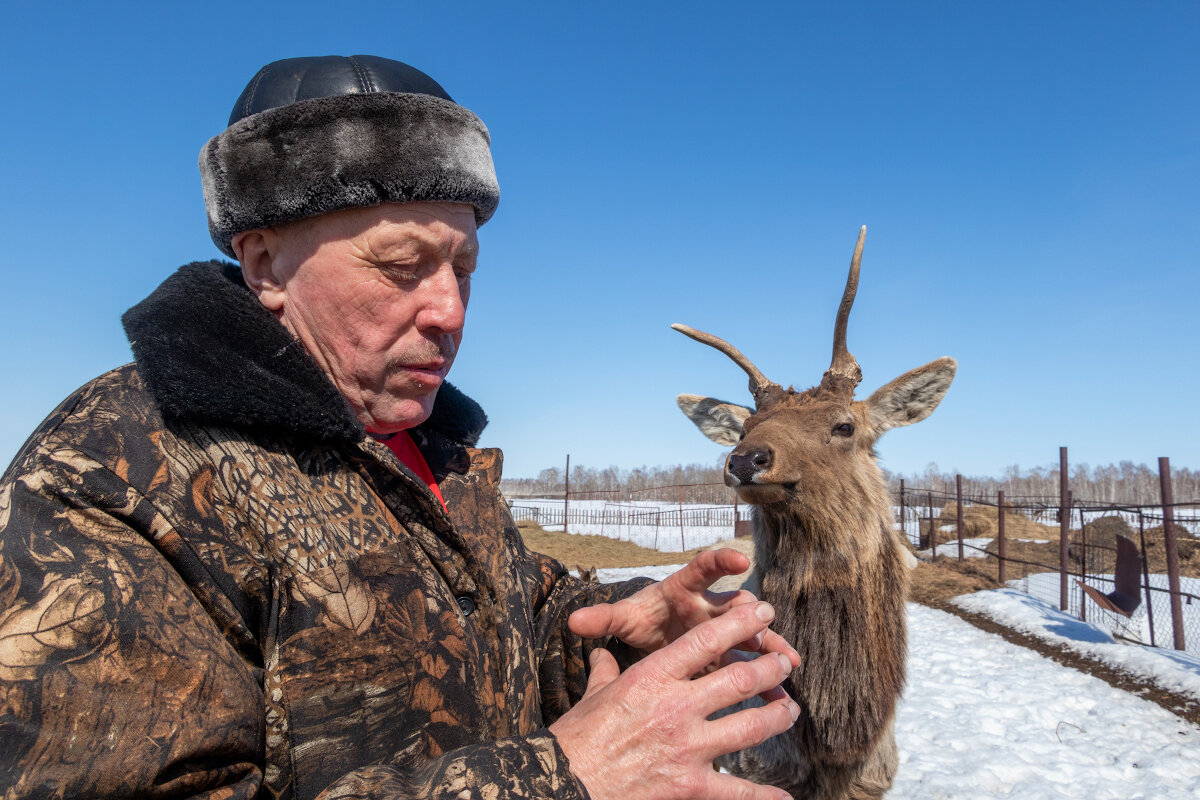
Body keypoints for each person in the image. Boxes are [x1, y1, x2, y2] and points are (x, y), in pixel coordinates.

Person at [0, 56, 800, 800]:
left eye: (463, 268)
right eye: (399, 265)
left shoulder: (434, 451)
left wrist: (617, 621)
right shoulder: (110, 472)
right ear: (265, 264)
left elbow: (500, 621)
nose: (450, 312)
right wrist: (560, 780)